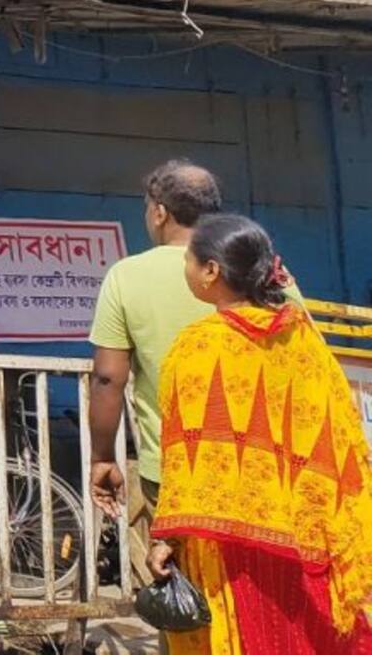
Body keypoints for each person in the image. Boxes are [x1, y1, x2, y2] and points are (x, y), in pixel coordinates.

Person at [149, 214, 372, 654]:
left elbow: (185, 460)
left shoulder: (197, 345)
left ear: (211, 272)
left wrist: (166, 540)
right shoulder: (302, 339)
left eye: (191, 262)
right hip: (299, 540)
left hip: (222, 549)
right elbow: (342, 435)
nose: (187, 270)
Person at [87, 163, 304, 573]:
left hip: (176, 470)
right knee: (259, 591)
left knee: (184, 591)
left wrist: (102, 457)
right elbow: (306, 354)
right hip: (266, 465)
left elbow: (107, 377)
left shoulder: (127, 276)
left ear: (159, 212)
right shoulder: (264, 269)